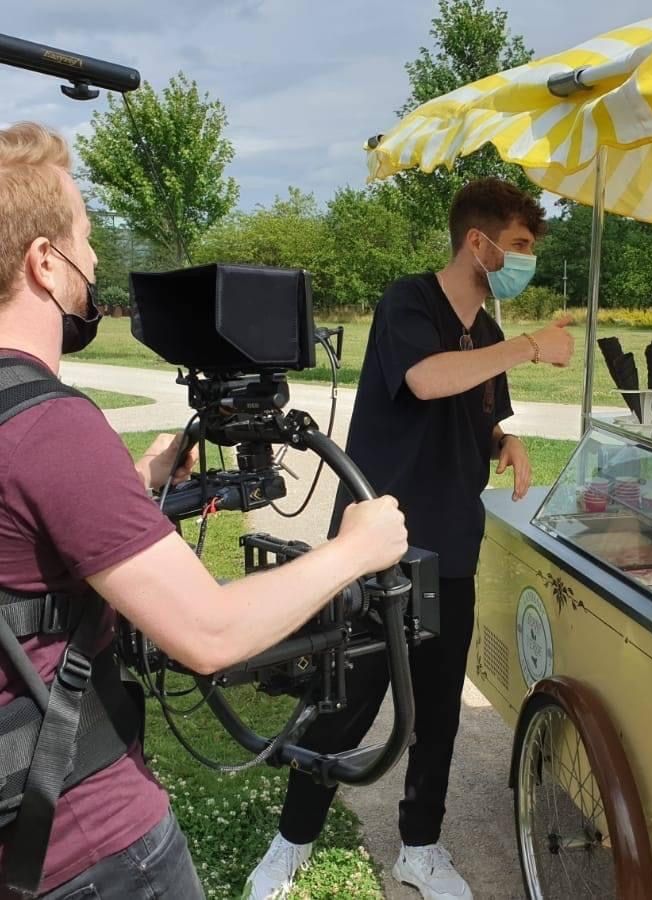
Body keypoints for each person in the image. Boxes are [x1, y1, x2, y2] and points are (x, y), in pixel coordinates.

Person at [0, 122, 408, 899]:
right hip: (89, 847)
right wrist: (356, 548)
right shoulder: (52, 425)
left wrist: (131, 478)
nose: (93, 263)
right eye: (84, 239)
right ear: (44, 262)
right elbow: (211, 637)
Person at [247, 177, 575, 900]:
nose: (525, 261)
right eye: (518, 246)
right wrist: (530, 346)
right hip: (377, 543)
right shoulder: (407, 302)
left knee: (437, 713)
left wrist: (506, 442)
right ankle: (291, 841)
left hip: (451, 546)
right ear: (477, 243)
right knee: (348, 701)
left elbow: (473, 409)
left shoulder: (486, 332)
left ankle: (420, 847)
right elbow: (427, 381)